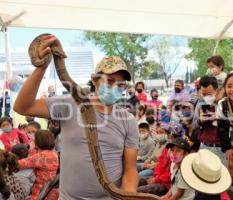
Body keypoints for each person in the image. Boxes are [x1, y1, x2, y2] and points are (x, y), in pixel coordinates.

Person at [13, 35, 139, 199]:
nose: (115, 87)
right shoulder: (71, 104)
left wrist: (128, 196)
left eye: (121, 85)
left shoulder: (127, 120)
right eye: (110, 80)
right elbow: (23, 107)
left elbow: (130, 169)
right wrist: (42, 66)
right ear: (94, 79)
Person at [192, 76, 225, 163]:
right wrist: (200, 120)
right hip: (204, 146)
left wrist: (218, 117)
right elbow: (194, 125)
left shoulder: (225, 104)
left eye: (209, 94)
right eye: (204, 94)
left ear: (217, 91)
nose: (206, 97)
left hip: (221, 148)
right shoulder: (200, 105)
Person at [18, 130, 59, 200]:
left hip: (38, 192)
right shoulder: (53, 153)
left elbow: (19, 164)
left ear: (37, 142)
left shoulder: (42, 156)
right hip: (47, 190)